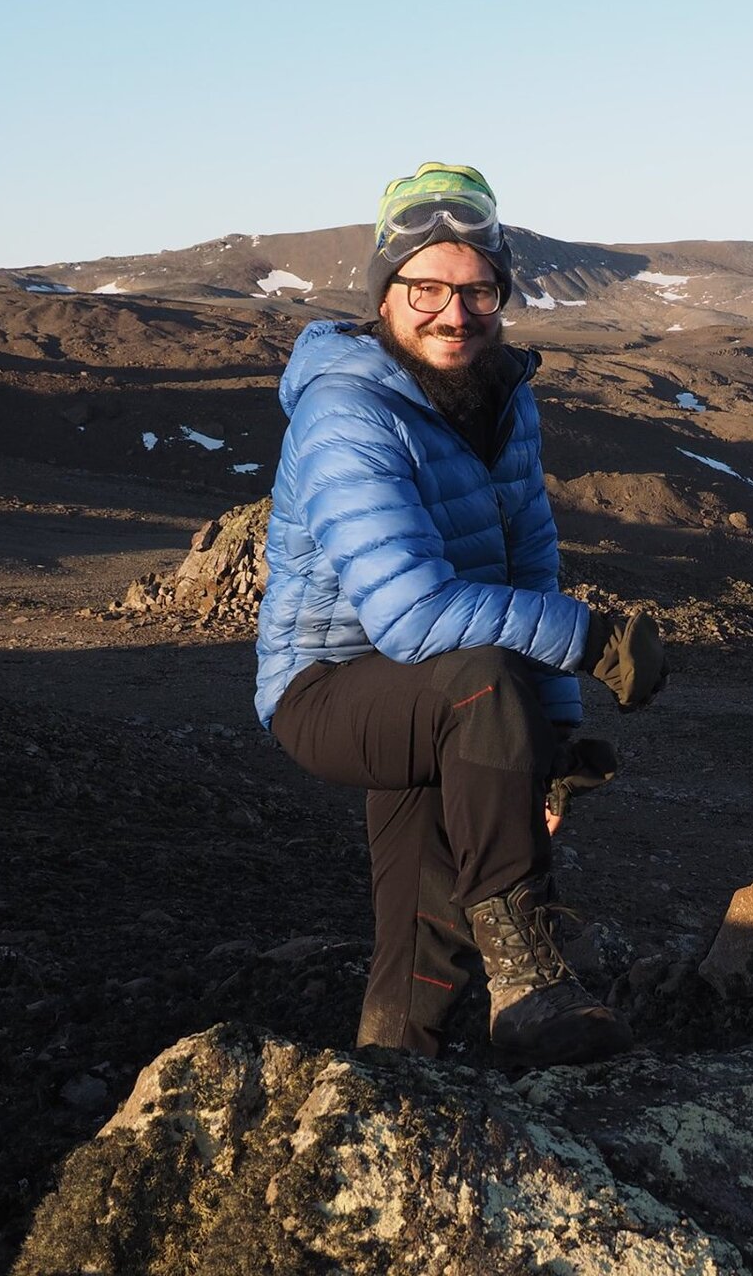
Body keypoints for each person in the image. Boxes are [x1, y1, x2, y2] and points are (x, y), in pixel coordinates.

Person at [254, 162, 665, 1064]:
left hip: (437, 689)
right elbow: (412, 616)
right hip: (328, 689)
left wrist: (551, 742)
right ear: (385, 291)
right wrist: (592, 642)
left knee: (422, 914)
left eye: (478, 290)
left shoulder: (500, 394)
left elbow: (530, 560)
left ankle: (397, 1071)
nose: (454, 312)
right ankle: (528, 980)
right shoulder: (346, 411)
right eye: (427, 288)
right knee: (477, 686)